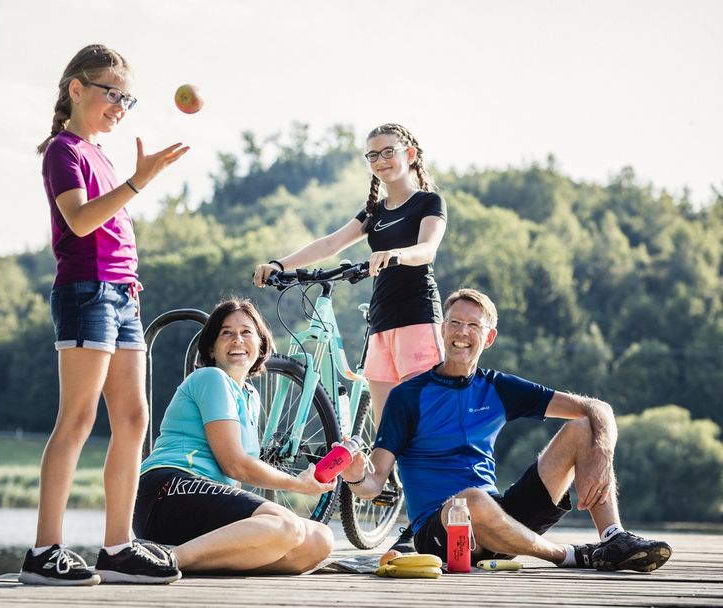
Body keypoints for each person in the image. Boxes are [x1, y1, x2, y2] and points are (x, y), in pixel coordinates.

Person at [341, 288, 672, 572]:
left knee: (584, 428)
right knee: (470, 500)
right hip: (440, 531)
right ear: (442, 330)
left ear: (489, 337)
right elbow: (374, 482)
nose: (462, 332)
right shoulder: (408, 396)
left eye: (473, 325)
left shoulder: (497, 387)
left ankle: (613, 538)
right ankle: (569, 555)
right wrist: (356, 477)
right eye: (455, 323)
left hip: (499, 519)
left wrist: (602, 453)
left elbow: (597, 408)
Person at [18, 44, 189, 586]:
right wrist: (139, 181)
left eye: (127, 99)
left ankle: (117, 549)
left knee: (134, 418)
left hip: (123, 295)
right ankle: (44, 552)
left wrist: (133, 180)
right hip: (86, 293)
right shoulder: (62, 151)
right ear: (77, 89)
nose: (121, 106)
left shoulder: (99, 153)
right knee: (77, 419)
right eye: (113, 93)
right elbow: (80, 220)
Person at [253, 123, 447, 426]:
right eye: (373, 155)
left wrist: (396, 254)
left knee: (421, 422)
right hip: (381, 321)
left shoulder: (428, 202)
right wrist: (279, 264)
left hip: (417, 317)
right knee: (386, 429)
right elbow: (330, 244)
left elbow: (427, 249)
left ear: (409, 154)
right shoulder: (374, 211)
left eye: (388, 152)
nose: (380, 161)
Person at [133, 298, 336, 574]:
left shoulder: (250, 396)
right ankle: (165, 558)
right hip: (167, 490)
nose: (237, 339)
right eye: (226, 333)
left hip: (202, 501)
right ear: (211, 348)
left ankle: (195, 559)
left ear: (261, 344)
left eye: (246, 332)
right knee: (286, 525)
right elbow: (234, 464)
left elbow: (233, 481)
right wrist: (297, 484)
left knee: (318, 540)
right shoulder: (211, 378)